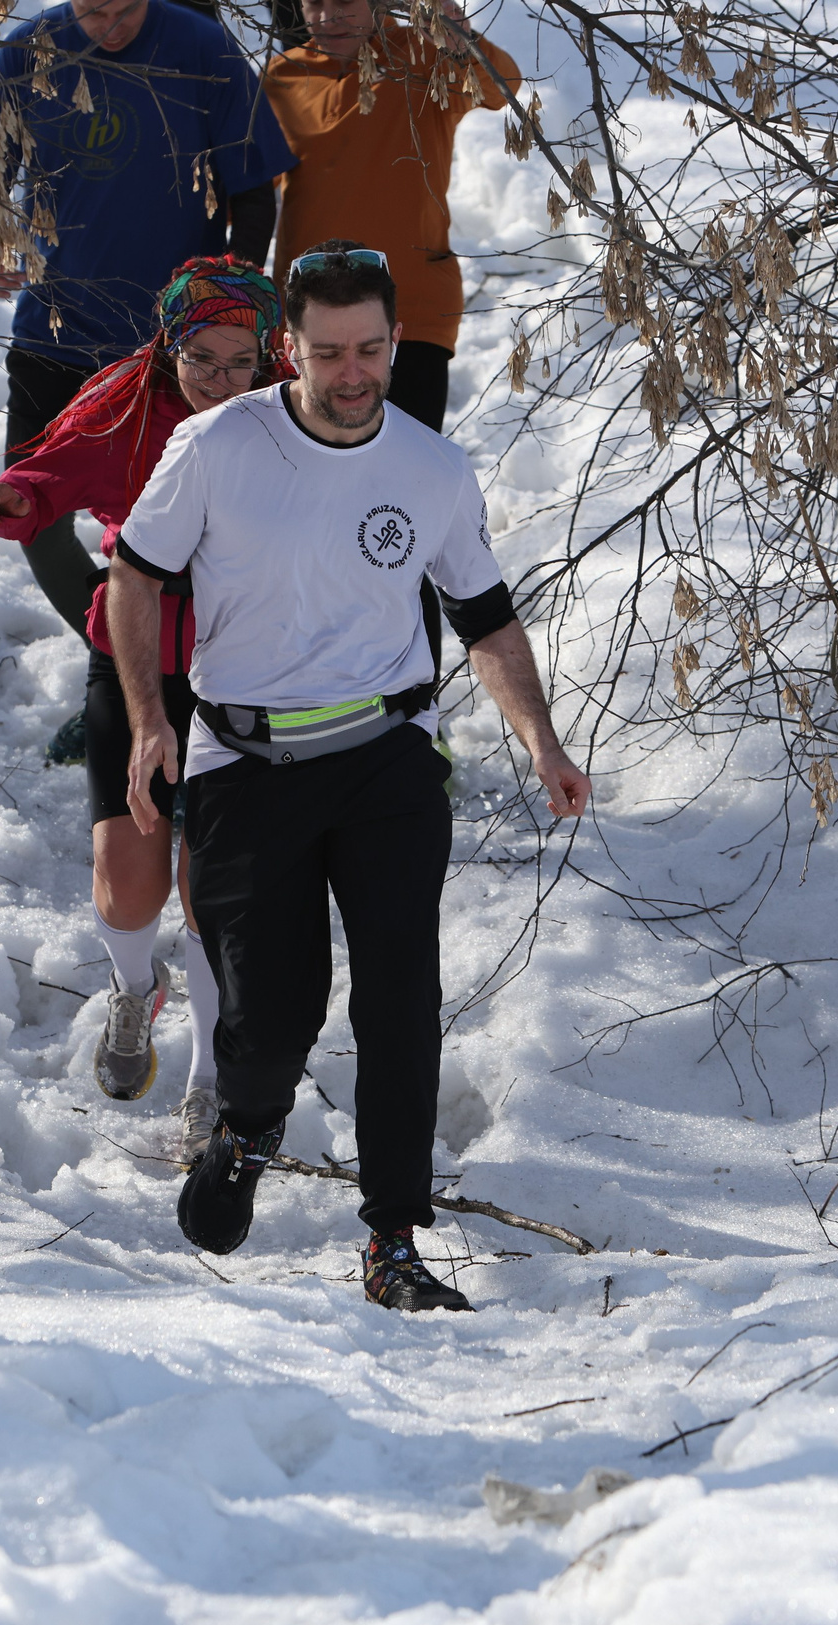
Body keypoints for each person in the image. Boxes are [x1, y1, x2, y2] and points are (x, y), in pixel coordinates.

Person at [107, 242, 590, 1313]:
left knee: (400, 1001)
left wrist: (541, 742)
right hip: (245, 761)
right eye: (327, 352)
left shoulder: (429, 468)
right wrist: (150, 721)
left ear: (393, 339)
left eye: (370, 346)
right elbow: (133, 580)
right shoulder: (217, 447)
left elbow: (485, 617)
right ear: (290, 348)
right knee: (273, 1013)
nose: (352, 370)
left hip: (386, 757)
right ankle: (245, 1123)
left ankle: (393, 1241)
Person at [0, 259, 287, 1154]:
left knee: (213, 893)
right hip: (138, 659)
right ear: (170, 347)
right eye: (203, 360)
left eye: (241, 360)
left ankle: (208, 1082)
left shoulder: (292, 408)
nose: (222, 382)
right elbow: (48, 474)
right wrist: (16, 497)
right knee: (129, 879)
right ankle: (135, 986)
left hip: (248, 668)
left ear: (268, 351)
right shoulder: (125, 404)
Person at [0, 0, 297, 764]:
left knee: (169, 531)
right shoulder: (29, 50)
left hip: (176, 352)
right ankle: (123, 672)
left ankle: (195, 696)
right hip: (57, 330)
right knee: (31, 514)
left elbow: (251, 190)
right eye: (93, 7)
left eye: (125, 6)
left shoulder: (201, 48)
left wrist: (232, 299)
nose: (109, 23)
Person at [264, 0, 519, 432]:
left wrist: (460, 40)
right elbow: (246, 192)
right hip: (309, 318)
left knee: (405, 479)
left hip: (409, 313)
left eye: (344, 2)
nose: (328, 18)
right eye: (314, 4)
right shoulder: (282, 76)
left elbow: (499, 86)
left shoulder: (420, 52)